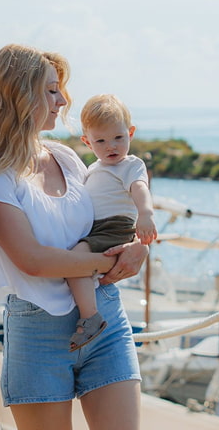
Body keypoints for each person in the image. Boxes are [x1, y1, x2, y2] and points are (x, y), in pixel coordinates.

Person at [0, 44, 148, 430]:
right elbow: (33, 260)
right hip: (39, 333)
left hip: (105, 316)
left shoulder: (66, 157)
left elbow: (108, 215)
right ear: (19, 94)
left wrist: (138, 247)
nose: (63, 100)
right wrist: (109, 262)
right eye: (51, 90)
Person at [66, 94, 157, 351]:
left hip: (115, 227)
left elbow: (140, 189)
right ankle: (88, 311)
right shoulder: (93, 169)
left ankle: (90, 316)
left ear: (130, 132)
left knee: (74, 262)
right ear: (87, 141)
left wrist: (146, 214)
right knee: (76, 262)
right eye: (101, 141)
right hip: (97, 229)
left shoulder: (130, 164)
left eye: (118, 138)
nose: (111, 147)